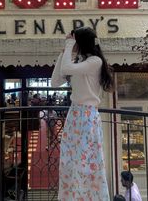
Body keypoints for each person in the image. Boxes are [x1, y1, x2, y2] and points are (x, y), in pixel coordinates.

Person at [51, 27, 114, 201]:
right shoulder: (79, 61)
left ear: (81, 42)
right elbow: (55, 82)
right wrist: (64, 53)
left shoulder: (95, 62)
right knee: (70, 162)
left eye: (75, 40)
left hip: (87, 116)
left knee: (86, 164)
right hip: (75, 115)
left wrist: (69, 45)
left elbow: (67, 68)